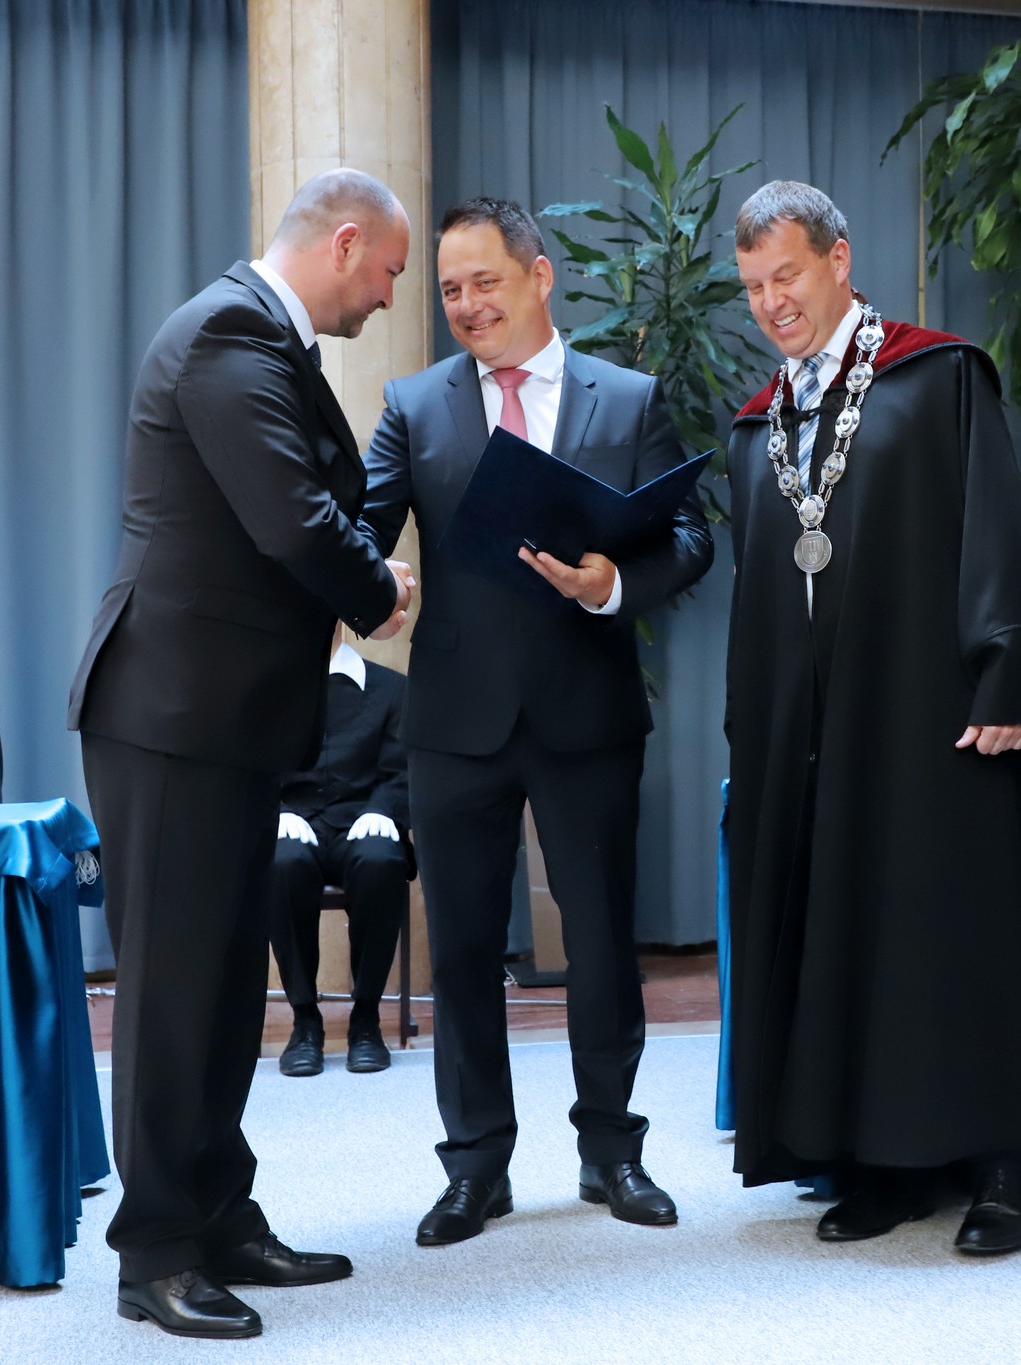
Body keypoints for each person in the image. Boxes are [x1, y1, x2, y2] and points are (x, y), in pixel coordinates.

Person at [68, 168, 417, 1340]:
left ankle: (218, 1216)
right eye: (388, 272)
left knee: (222, 990)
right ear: (346, 243)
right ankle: (156, 1253)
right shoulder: (228, 331)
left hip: (219, 719)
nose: (388, 296)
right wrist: (379, 592)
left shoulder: (258, 335)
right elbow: (290, 518)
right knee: (173, 993)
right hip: (169, 715)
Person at [721, 181, 1021, 1256]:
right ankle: (884, 1161)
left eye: (787, 275)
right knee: (852, 934)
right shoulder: (759, 423)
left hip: (932, 714)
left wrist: (1008, 676)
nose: (772, 302)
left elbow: (997, 525)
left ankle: (1003, 1167)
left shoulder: (936, 377)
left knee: (960, 929)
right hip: (815, 735)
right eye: (753, 287)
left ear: (839, 259)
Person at [361, 197, 712, 1246]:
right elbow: (362, 528)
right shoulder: (412, 405)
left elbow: (689, 536)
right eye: (450, 290)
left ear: (540, 276)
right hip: (454, 720)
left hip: (585, 712)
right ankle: (475, 1166)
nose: (467, 305)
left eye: (486, 282)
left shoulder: (628, 399)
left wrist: (616, 583)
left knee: (600, 943)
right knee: (465, 950)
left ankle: (612, 1151)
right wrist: (372, 579)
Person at [268, 626, 411, 1078]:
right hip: (296, 824)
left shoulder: (393, 689)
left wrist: (385, 809)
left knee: (381, 860)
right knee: (281, 863)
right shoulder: (267, 690)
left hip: (363, 821)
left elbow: (407, 769)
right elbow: (249, 767)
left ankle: (366, 1018)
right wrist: (276, 812)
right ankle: (304, 1020)